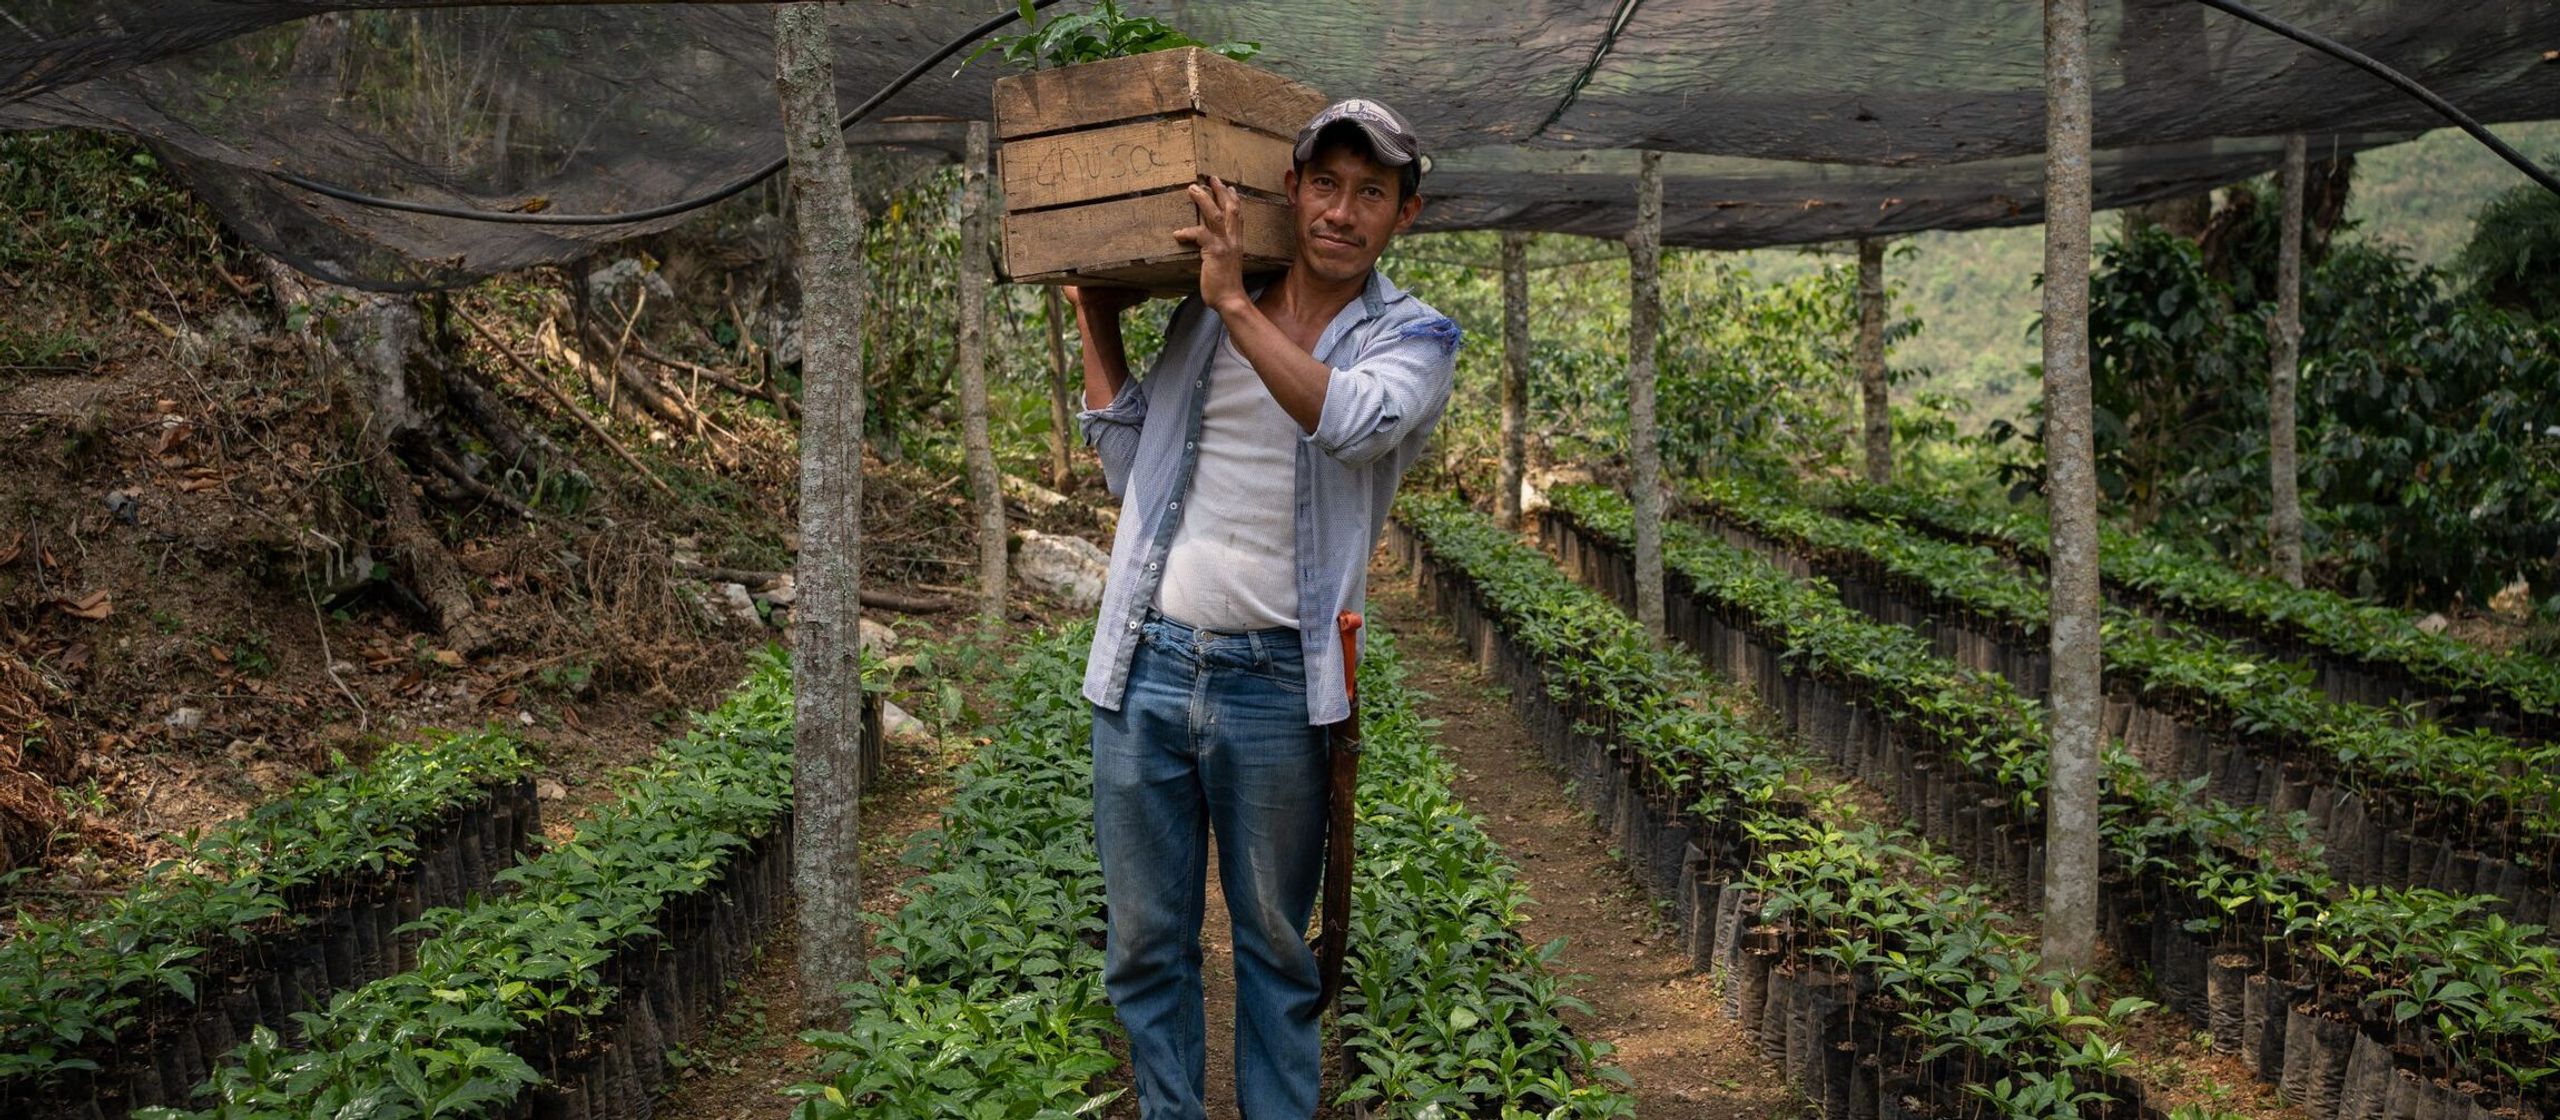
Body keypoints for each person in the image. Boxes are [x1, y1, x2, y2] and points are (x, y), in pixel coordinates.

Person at [1065, 98, 1459, 1119]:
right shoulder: (1201, 316)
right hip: (1145, 663)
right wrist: (1093, 312)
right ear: (1289, 193)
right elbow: (1127, 465)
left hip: (1279, 686)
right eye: (1323, 184)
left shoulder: (1413, 337)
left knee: (1277, 951)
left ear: (1402, 216)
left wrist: (1236, 303)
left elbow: (1351, 422)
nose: (1341, 210)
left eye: (1369, 192)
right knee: (1145, 944)